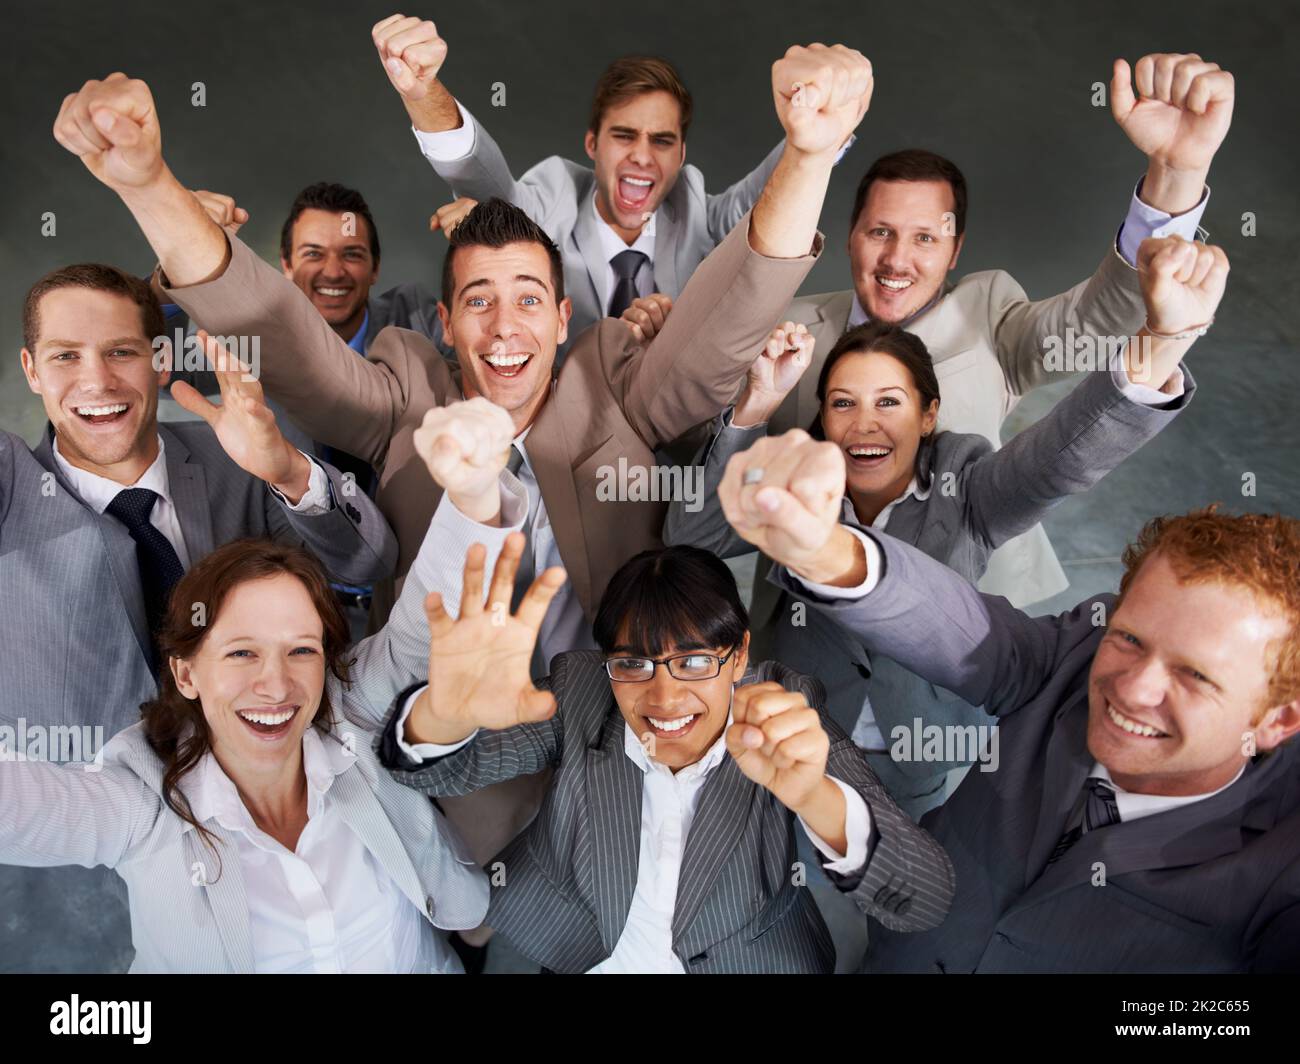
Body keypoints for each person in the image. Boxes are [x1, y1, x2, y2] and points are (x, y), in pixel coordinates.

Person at [665, 233, 1220, 815]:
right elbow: (692, 537)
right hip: (794, 746)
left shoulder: (968, 484)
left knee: (908, 889)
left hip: (921, 754)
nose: (864, 426)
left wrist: (1159, 344)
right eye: (843, 403)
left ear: (928, 414)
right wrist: (757, 402)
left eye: (889, 403)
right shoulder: (796, 477)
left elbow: (1060, 458)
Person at [715, 438, 1300, 972]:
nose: (1132, 688)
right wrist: (824, 549)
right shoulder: (1080, 650)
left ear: (1279, 719)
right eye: (1129, 638)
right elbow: (969, 631)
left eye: (1195, 675)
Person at [735, 51, 1233, 631]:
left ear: (955, 250)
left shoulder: (990, 316)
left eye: (925, 237)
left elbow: (1098, 321)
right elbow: (706, 431)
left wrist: (1176, 172)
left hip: (969, 627)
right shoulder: (785, 324)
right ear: (849, 238)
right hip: (809, 629)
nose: (898, 258)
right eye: (880, 232)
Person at [2, 264, 398, 973]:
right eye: (66, 355)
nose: (96, 380)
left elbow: (367, 564)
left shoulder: (231, 450)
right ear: (30, 369)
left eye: (121, 351)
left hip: (291, 855)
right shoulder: (12, 491)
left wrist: (283, 470)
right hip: (83, 909)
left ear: (159, 359)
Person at [377, 535, 955, 973]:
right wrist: (440, 716)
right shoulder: (582, 691)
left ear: (738, 655)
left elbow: (925, 900)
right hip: (576, 948)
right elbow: (449, 765)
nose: (664, 696)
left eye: (697, 661)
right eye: (633, 664)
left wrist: (814, 796)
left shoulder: (787, 710)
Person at [0, 524, 488, 973]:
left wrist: (476, 490)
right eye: (241, 653)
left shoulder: (349, 713)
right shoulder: (142, 803)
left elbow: (425, 621)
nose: (276, 687)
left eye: (301, 650)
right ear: (186, 674)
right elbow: (22, 807)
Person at [372, 14, 852, 352]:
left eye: (661, 141)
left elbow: (778, 185)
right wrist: (423, 92)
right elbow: (488, 182)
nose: (642, 155)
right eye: (624, 136)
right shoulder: (554, 198)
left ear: (681, 156)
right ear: (592, 145)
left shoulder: (698, 215)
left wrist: (826, 125)